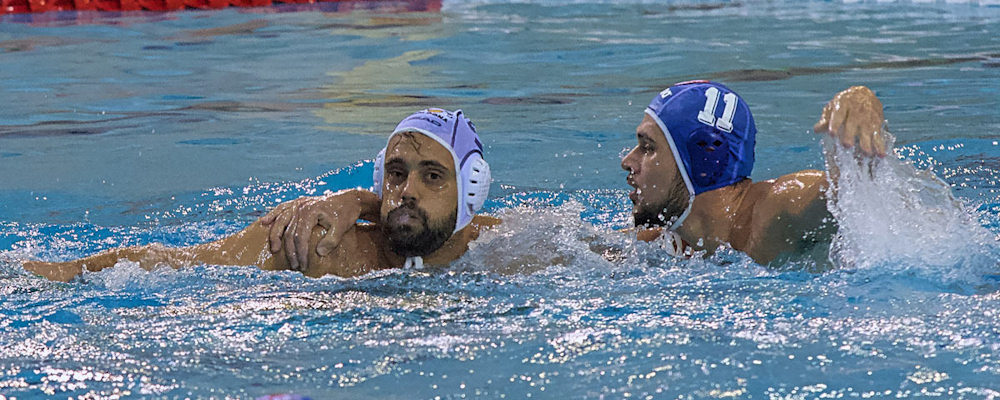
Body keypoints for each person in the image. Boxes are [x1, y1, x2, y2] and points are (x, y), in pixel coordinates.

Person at [23, 108, 500, 282]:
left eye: (433, 177)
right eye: (395, 174)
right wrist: (62, 272)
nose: (406, 192)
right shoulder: (319, 244)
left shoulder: (513, 249)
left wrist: (355, 198)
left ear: (471, 189)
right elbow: (171, 262)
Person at [621, 81, 887, 264]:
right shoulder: (673, 243)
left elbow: (856, 193)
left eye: (647, 147)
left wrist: (860, 100)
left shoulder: (778, 208)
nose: (628, 161)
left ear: (705, 159)